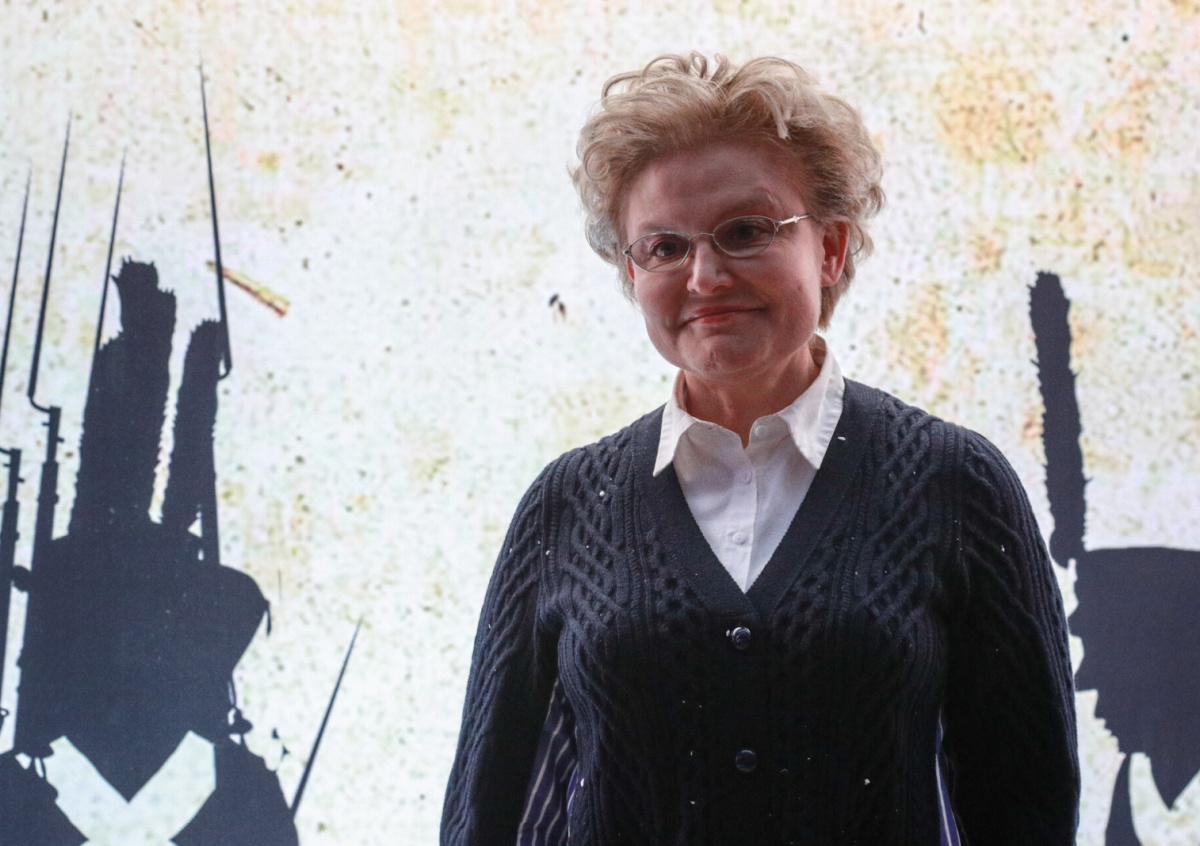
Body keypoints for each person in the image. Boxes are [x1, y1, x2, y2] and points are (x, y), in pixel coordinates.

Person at [441, 53, 1079, 845]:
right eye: (664, 247)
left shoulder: (955, 484)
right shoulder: (566, 504)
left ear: (831, 248)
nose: (705, 276)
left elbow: (1028, 803)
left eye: (745, 232)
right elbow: (489, 809)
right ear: (633, 272)